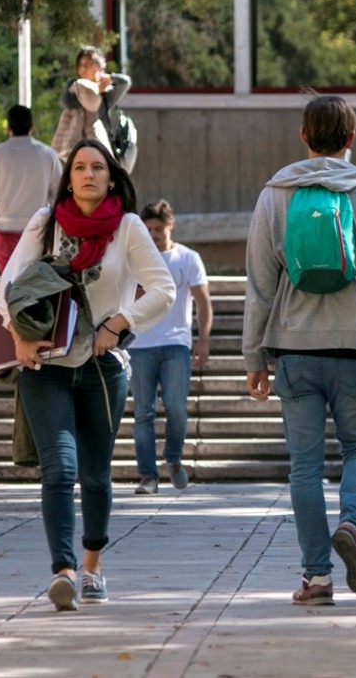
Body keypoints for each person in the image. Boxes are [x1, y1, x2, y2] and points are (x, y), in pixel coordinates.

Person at [243, 95, 356, 606]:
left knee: (304, 466)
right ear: (351, 138)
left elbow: (259, 284)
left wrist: (254, 357)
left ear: (303, 135)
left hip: (294, 350)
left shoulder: (274, 195)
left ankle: (317, 578)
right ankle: (353, 522)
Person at [0, 138, 175, 612]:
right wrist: (18, 336)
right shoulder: (46, 222)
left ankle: (92, 564)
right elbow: (8, 288)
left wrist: (120, 324)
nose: (89, 174)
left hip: (102, 369)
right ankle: (64, 571)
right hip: (46, 366)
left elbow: (164, 288)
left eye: (98, 167)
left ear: (111, 177)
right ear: (68, 176)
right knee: (60, 469)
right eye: (80, 167)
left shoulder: (128, 227)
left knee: (96, 476)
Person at [128, 199, 214, 495]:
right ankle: (147, 475)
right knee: (143, 412)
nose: (153, 235)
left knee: (176, 408)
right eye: (148, 230)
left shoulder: (188, 258)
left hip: (176, 343)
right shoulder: (135, 261)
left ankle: (173, 458)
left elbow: (203, 302)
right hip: (140, 344)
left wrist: (202, 340)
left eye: (158, 229)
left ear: (170, 225)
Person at [0, 104, 63, 272]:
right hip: (39, 230)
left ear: (8, 127)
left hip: (5, 230)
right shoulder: (48, 154)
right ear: (32, 126)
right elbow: (58, 195)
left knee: (8, 287)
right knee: (36, 286)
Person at [51, 46, 132, 168]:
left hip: (100, 145)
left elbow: (125, 82)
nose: (83, 68)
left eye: (88, 64)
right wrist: (91, 91)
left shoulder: (106, 93)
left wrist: (109, 78)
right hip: (76, 145)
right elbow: (67, 102)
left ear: (98, 67)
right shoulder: (74, 86)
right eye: (80, 65)